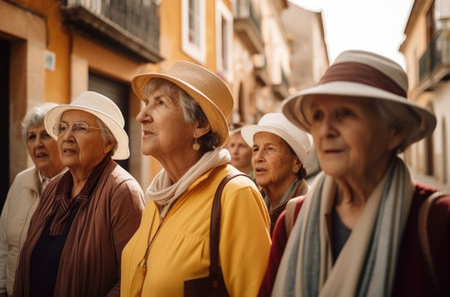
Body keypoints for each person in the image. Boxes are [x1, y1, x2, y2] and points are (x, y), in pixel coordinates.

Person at [259, 50, 450, 296]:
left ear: (394, 132)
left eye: (345, 114)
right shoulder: (292, 221)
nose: (325, 130)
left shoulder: (438, 222)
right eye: (318, 116)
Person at [120, 60, 271, 296]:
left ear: (199, 125)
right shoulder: (157, 196)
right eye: (146, 103)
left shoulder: (235, 195)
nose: (141, 116)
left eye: (160, 103)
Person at [13, 91, 145, 297]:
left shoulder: (122, 191)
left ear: (108, 143)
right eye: (63, 128)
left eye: (80, 128)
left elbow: (132, 277)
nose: (66, 137)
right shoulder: (54, 187)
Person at [0, 103, 67, 297]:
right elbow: (4, 244)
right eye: (32, 137)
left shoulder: (77, 186)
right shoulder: (20, 181)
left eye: (45, 135)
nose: (38, 143)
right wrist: (3, 290)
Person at [241, 113, 313, 234]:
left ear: (296, 163)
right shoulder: (251, 207)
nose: (258, 157)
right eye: (255, 149)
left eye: (270, 149)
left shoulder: (308, 210)